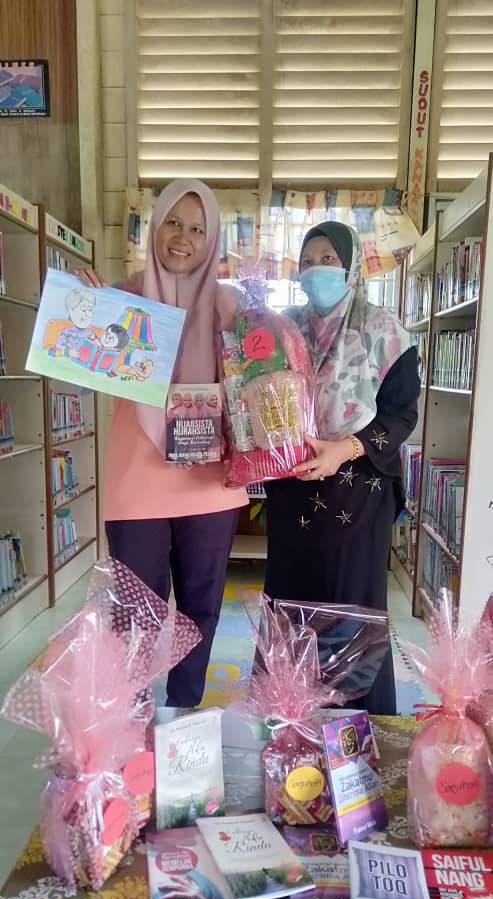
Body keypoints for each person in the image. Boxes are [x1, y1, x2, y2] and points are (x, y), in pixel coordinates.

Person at [73, 179, 248, 708]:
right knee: (134, 614)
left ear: (211, 240)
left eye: (197, 228)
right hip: (137, 482)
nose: (183, 237)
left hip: (209, 484)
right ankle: (128, 720)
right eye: (173, 222)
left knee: (201, 607)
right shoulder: (118, 299)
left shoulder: (230, 308)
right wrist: (80, 310)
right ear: (154, 226)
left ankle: (183, 713)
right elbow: (77, 365)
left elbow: (257, 383)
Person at [264, 221, 420, 715]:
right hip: (293, 489)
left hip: (359, 491)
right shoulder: (282, 329)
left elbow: (401, 416)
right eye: (307, 262)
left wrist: (344, 448)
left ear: (351, 266)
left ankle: (358, 730)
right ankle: (290, 721)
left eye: (328, 259)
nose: (316, 270)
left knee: (352, 610)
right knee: (291, 606)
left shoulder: (385, 332)